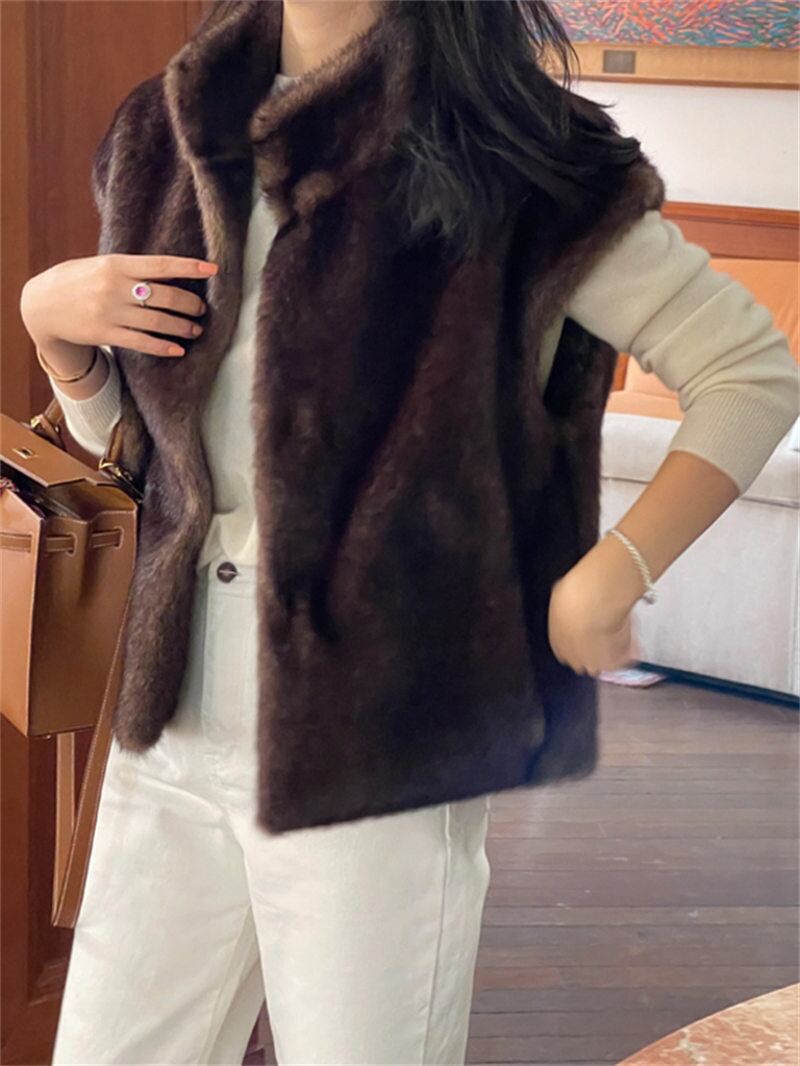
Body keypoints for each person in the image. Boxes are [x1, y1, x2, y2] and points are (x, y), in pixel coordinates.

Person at [20, 1, 797, 1063]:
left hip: (382, 732)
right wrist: (56, 335)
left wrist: (615, 569)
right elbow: (144, 453)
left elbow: (747, 372)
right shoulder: (164, 129)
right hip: (173, 715)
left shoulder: (513, 150)